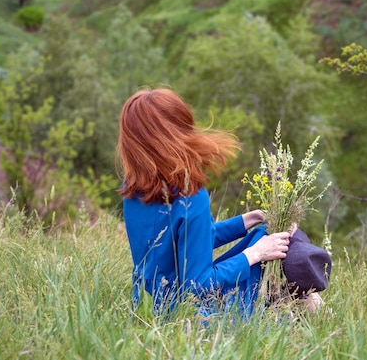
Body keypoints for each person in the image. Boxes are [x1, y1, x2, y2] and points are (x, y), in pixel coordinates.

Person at [116, 87, 291, 317]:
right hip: (190, 319)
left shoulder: (133, 188)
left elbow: (186, 245)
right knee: (264, 239)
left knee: (260, 231)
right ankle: (298, 307)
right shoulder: (190, 197)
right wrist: (255, 254)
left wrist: (247, 220)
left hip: (147, 307)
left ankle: (297, 302)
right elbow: (197, 286)